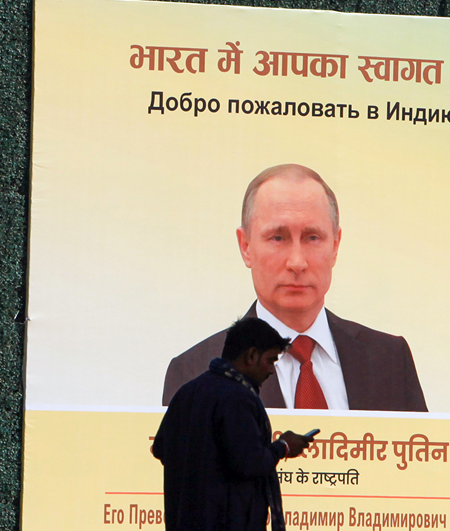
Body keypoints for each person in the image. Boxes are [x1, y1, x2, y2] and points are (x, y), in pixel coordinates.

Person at [162, 164, 427, 411]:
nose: (297, 262)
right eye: (278, 237)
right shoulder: (194, 373)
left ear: (335, 246)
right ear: (246, 247)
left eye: (313, 237)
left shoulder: (390, 361)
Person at [153, 316, 314, 531]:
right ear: (250, 355)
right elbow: (248, 462)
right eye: (270, 360)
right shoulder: (237, 397)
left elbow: (161, 449)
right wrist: (282, 447)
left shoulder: (189, 391)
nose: (271, 370)